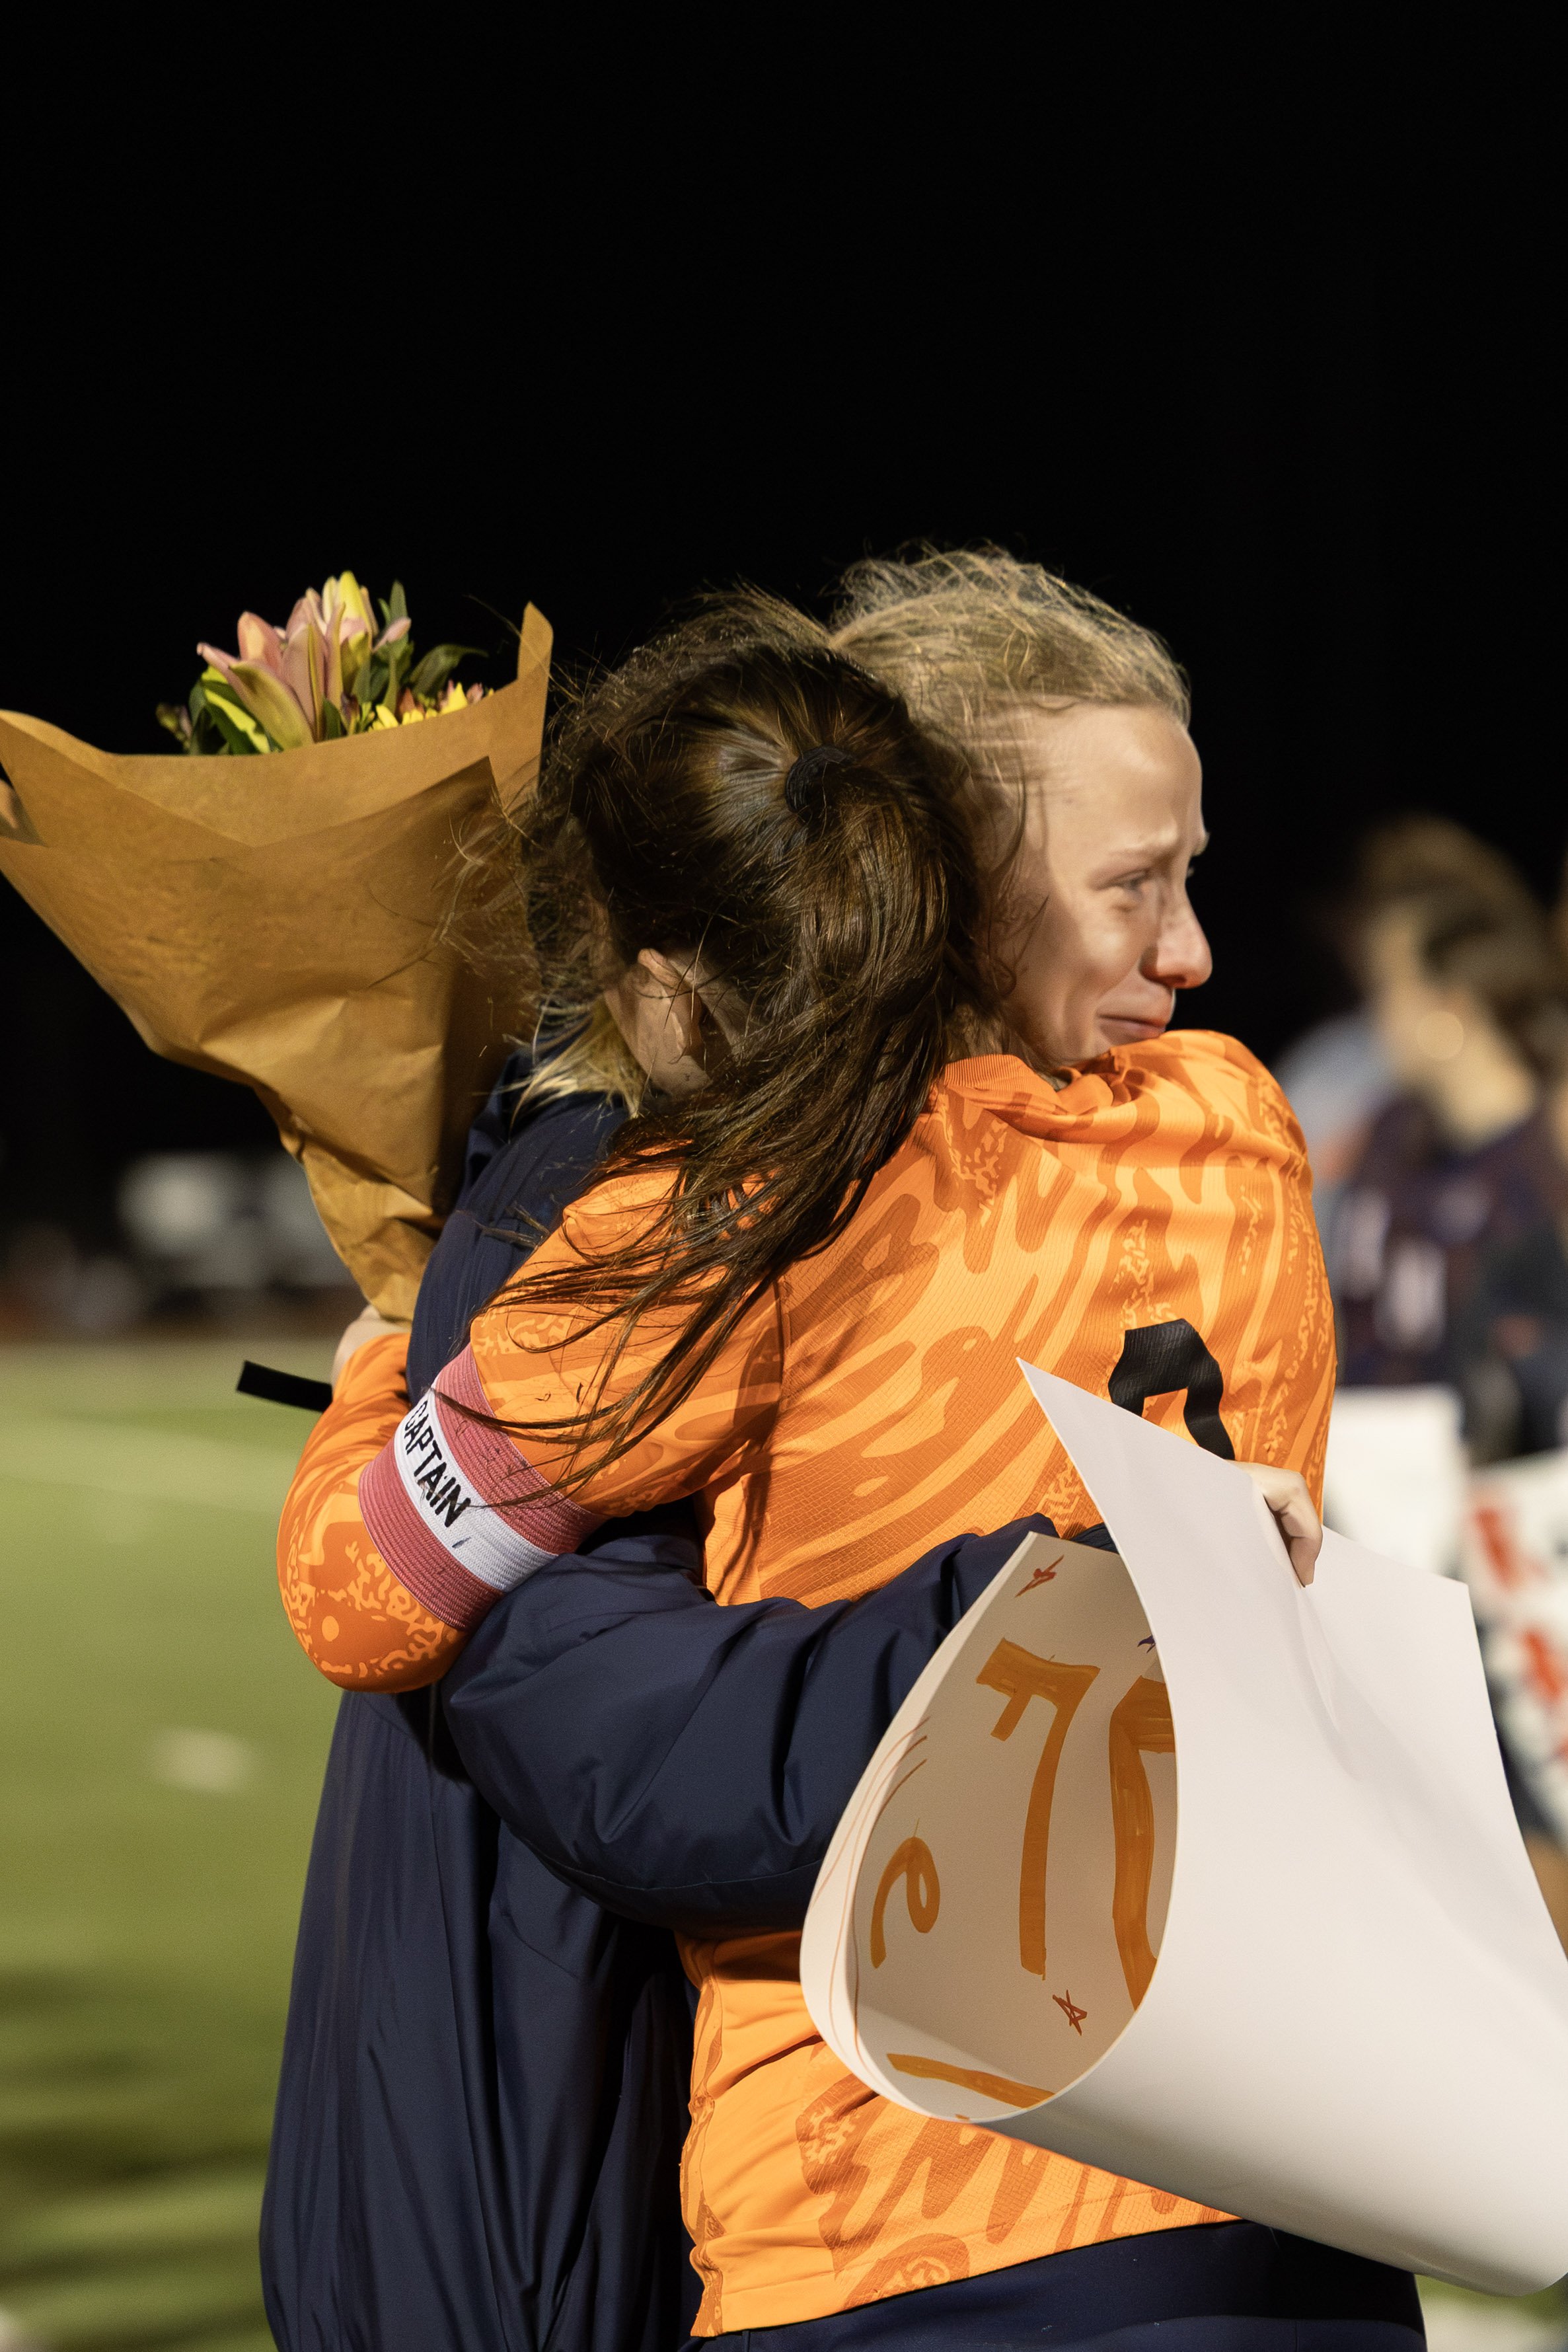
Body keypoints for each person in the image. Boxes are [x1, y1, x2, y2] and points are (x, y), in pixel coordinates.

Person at [269, 576, 1421, 2349]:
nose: (1189, 954)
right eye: (1138, 886)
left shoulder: (732, 1220)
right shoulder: (1243, 1122)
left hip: (887, 2201)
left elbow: (364, 1595)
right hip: (1285, 2166)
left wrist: (393, 1358)